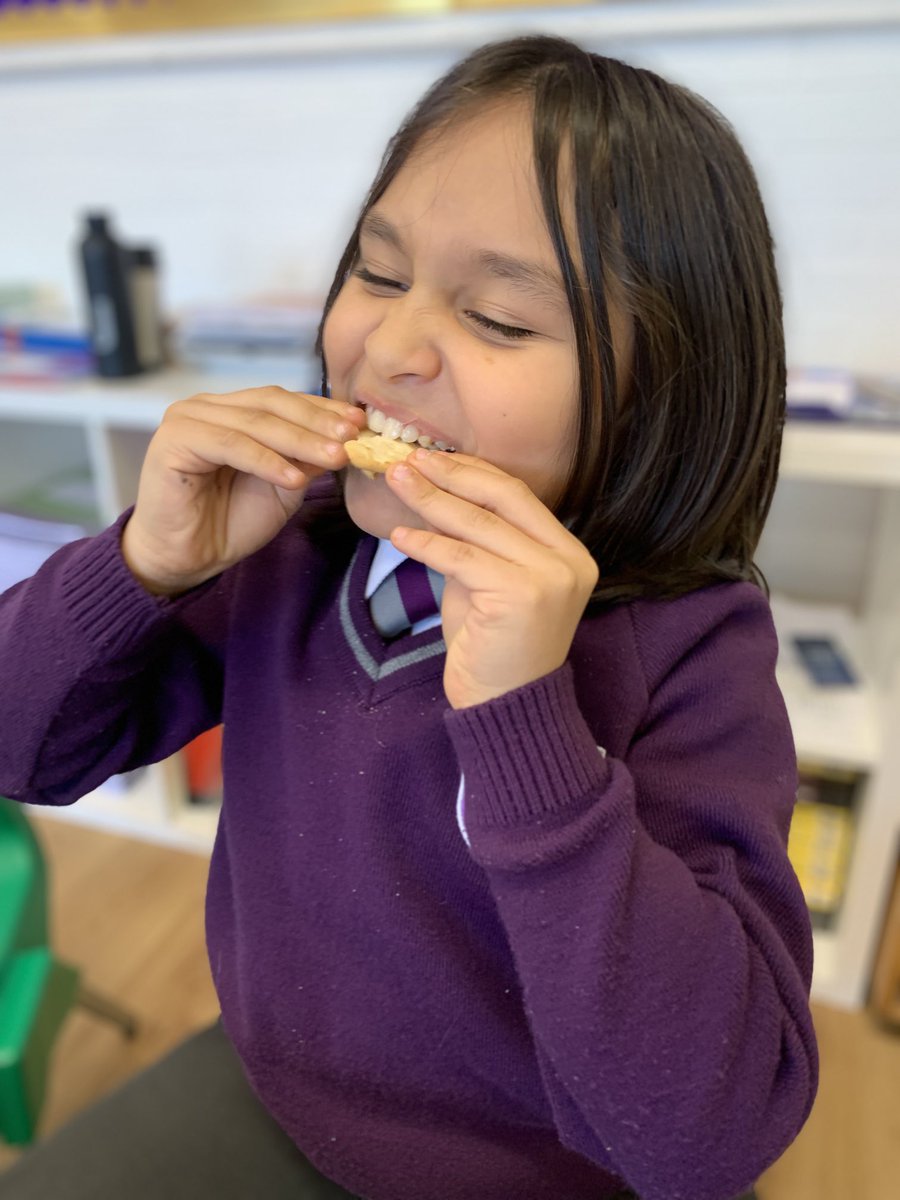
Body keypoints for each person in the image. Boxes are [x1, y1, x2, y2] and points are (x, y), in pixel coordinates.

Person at [0, 33, 816, 1200]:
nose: (383, 351)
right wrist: (142, 566)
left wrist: (528, 721)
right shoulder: (290, 545)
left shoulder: (695, 649)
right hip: (276, 1093)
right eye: (379, 276)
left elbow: (710, 1134)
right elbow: (20, 747)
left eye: (499, 319)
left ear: (659, 395)